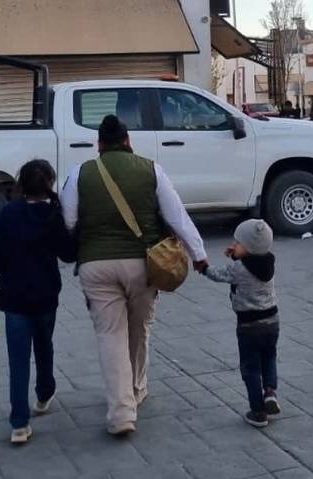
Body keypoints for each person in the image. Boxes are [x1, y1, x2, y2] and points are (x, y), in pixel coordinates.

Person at [60, 115, 208, 435]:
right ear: (128, 141)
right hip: (144, 265)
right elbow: (177, 217)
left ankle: (121, 414)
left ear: (98, 145)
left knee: (110, 334)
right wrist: (199, 255)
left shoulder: (79, 173)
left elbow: (68, 221)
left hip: (96, 266)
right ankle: (137, 388)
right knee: (139, 328)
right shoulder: (152, 170)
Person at [0, 159, 77, 444]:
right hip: (46, 296)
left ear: (21, 184)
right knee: (45, 346)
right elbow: (68, 254)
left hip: (14, 298)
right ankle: (44, 394)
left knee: (18, 360)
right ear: (49, 183)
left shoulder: (7, 214)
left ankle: (19, 424)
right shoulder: (53, 215)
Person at [200, 219, 280, 428]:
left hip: (249, 326)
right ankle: (270, 392)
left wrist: (203, 267)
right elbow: (251, 259)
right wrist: (237, 254)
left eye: (237, 242)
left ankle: (258, 412)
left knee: (251, 368)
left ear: (249, 247)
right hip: (272, 322)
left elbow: (220, 274)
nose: (234, 245)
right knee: (269, 357)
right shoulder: (269, 260)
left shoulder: (239, 269)